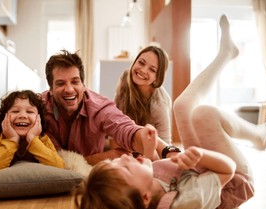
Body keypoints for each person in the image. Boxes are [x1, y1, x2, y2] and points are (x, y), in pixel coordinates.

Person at [73, 15, 266, 209]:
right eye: (141, 62)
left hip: (196, 166)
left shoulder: (157, 106)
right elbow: (227, 170)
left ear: (158, 78)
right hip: (235, 179)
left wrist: (150, 149)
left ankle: (226, 56)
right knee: (205, 115)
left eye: (151, 68)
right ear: (144, 198)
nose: (123, 160)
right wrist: (200, 156)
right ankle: (259, 135)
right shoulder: (184, 200)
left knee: (182, 106)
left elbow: (155, 160)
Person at [42, 50, 175, 165]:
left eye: (75, 82)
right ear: (51, 90)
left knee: (125, 151)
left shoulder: (99, 107)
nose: (69, 89)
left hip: (149, 140)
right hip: (108, 146)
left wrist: (166, 150)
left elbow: (125, 127)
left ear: (83, 84)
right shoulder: (38, 106)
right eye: (60, 83)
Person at [0, 90, 64, 174]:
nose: (22, 116)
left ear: (39, 118)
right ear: (4, 117)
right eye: (15, 111)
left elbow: (59, 166)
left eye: (30, 112)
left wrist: (32, 139)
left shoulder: (43, 139)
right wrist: (12, 140)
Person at [114, 46, 172, 143]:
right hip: (127, 139)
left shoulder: (159, 105)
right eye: (141, 63)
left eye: (152, 70)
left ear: (157, 78)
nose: (143, 70)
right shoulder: (125, 78)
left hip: (149, 147)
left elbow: (166, 145)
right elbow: (115, 118)